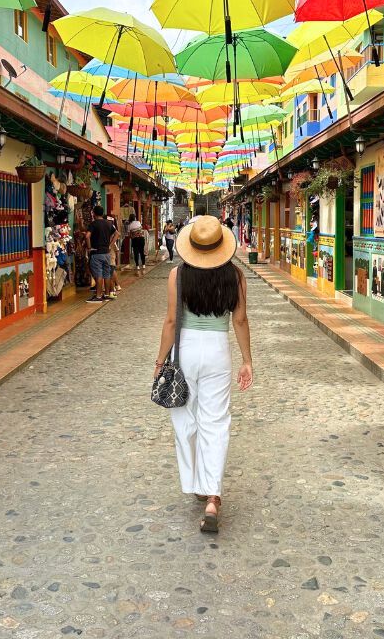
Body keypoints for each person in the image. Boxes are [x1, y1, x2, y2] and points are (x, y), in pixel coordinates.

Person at [153, 216, 253, 534]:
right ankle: (212, 495)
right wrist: (247, 361)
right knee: (216, 421)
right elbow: (240, 320)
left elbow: (171, 322)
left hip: (185, 350)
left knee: (185, 419)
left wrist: (159, 362)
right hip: (218, 351)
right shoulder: (236, 276)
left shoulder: (177, 275)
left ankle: (197, 482)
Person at [87, 206, 116, 303]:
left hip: (96, 252)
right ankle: (106, 294)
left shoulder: (93, 224)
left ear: (94, 213)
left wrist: (89, 248)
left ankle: (98, 296)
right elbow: (117, 234)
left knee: (99, 274)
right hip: (106, 253)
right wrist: (110, 245)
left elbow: (87, 236)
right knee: (106, 274)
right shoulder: (108, 223)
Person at [107, 215, 123, 296]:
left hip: (110, 251)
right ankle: (116, 286)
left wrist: (110, 245)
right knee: (111, 269)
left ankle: (112, 289)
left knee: (111, 270)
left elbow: (117, 235)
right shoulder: (111, 226)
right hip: (111, 250)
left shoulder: (111, 227)